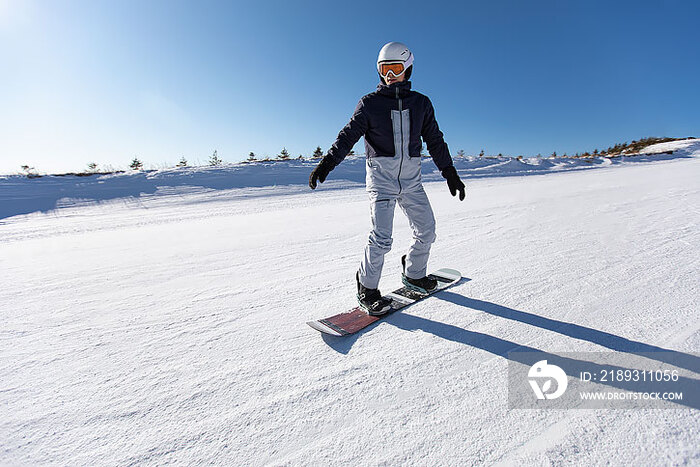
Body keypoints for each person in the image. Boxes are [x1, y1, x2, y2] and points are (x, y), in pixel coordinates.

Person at [309, 41, 465, 316]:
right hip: (381, 179)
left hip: (412, 180)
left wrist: (449, 172)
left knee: (427, 229)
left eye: (394, 69)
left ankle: (414, 273)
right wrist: (327, 164)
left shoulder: (421, 104)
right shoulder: (370, 104)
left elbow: (435, 140)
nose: (389, 76)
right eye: (384, 70)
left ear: (408, 68)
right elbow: (348, 136)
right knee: (381, 237)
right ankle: (367, 288)